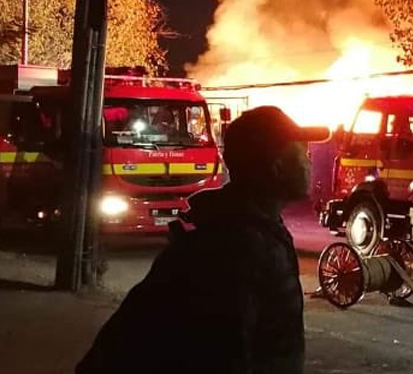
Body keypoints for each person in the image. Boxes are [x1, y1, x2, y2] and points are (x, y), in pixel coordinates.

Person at [76, 106, 329, 374]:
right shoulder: (238, 249)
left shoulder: (247, 231)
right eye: (301, 151)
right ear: (277, 167)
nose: (309, 160)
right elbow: (222, 358)